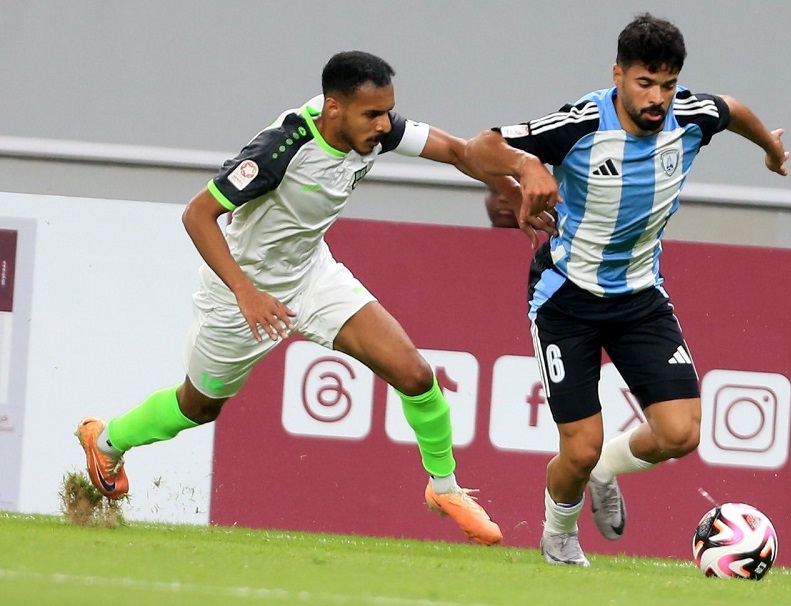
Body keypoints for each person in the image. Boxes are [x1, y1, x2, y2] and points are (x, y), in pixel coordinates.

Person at [75, 50, 523, 546]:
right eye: (371, 115)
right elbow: (197, 214)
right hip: (240, 293)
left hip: (312, 274)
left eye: (387, 112)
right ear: (334, 108)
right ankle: (108, 440)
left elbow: (461, 152)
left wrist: (512, 187)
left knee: (415, 373)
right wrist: (246, 294)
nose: (384, 125)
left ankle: (445, 488)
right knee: (198, 407)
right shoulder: (281, 149)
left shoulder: (379, 128)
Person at [463, 14, 790, 565]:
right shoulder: (581, 124)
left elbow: (733, 110)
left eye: (668, 84)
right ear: (618, 74)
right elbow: (480, 147)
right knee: (579, 445)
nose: (658, 97)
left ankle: (605, 471)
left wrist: (770, 147)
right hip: (566, 297)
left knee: (681, 433)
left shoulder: (691, 115)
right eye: (645, 83)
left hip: (640, 297)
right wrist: (526, 167)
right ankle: (559, 536)